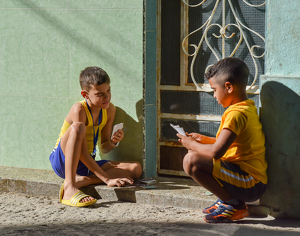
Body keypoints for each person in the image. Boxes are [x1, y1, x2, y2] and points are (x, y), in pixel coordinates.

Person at [177, 58, 267, 223]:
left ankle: (233, 204)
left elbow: (216, 152)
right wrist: (203, 140)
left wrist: (193, 144)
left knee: (191, 160)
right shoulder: (246, 107)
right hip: (246, 179)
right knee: (194, 152)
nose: (214, 95)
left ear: (228, 87)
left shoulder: (236, 114)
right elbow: (229, 144)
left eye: (214, 89)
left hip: (251, 183)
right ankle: (226, 199)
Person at [49, 66, 142, 207]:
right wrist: (106, 179)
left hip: (86, 163)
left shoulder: (109, 109)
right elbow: (82, 153)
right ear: (85, 95)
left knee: (136, 168)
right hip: (63, 161)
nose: (107, 97)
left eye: (108, 91)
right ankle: (69, 187)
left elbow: (103, 147)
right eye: (100, 94)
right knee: (78, 126)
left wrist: (113, 142)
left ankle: (82, 180)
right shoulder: (79, 110)